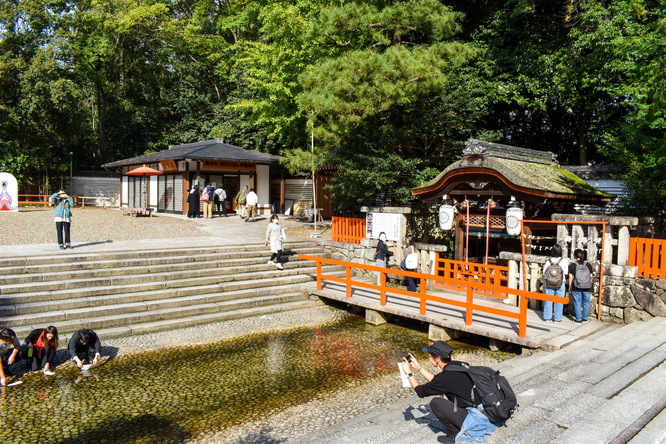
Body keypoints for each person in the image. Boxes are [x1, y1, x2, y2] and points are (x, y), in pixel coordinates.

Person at [400, 341, 497, 442]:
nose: (428, 358)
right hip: (488, 409)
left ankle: (455, 433)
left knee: (436, 403)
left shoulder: (446, 377)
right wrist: (419, 368)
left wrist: (409, 373)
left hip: (478, 419)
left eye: (430, 356)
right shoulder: (459, 365)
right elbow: (437, 380)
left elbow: (421, 391)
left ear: (437, 359)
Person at [542, 243, 570, 322]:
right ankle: (557, 318)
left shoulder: (548, 261)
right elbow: (566, 272)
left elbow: (544, 272)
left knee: (548, 300)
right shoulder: (564, 261)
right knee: (559, 301)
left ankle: (547, 317)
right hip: (560, 282)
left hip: (549, 283)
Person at [569, 248, 594, 323]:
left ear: (574, 256)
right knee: (586, 303)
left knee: (577, 303)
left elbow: (571, 277)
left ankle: (578, 319)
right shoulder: (588, 265)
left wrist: (570, 287)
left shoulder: (573, 265)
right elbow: (591, 276)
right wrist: (589, 284)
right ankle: (585, 318)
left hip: (577, 287)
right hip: (587, 287)